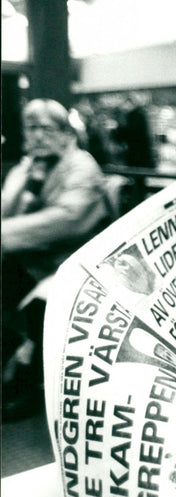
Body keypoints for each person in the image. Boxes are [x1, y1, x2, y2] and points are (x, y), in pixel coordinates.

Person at [1, 98, 111, 419]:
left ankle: (33, 388)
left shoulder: (82, 166)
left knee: (42, 308)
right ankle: (12, 367)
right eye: (31, 128)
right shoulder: (29, 166)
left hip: (77, 264)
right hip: (35, 261)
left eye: (46, 129)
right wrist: (23, 184)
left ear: (65, 133)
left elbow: (67, 219)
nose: (37, 136)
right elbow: (6, 207)